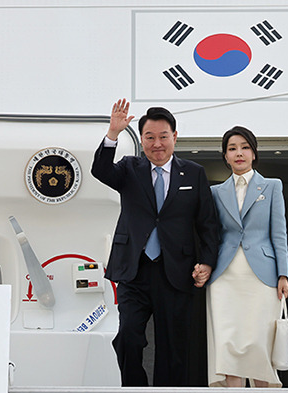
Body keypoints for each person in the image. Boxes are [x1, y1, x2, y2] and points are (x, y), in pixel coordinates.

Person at [91, 98, 218, 387]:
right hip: (134, 271)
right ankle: (134, 388)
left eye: (163, 137)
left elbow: (207, 223)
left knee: (174, 348)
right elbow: (100, 170)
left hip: (176, 271)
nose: (156, 144)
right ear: (142, 140)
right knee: (129, 337)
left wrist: (208, 262)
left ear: (175, 137)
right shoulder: (129, 168)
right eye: (149, 137)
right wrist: (113, 133)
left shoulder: (194, 173)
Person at [201, 126, 288, 388]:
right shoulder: (215, 192)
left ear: (253, 153)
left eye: (244, 147)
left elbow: (279, 233)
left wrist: (283, 274)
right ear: (225, 157)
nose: (239, 153)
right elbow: (210, 234)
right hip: (224, 276)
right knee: (228, 345)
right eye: (232, 148)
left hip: (263, 276)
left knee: (258, 343)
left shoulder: (273, 186)